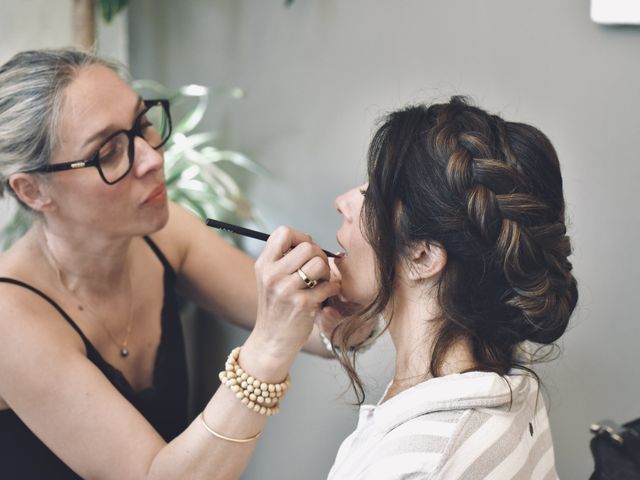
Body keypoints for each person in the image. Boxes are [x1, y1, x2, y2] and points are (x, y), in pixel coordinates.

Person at [0, 48, 345, 479]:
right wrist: (270, 344)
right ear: (32, 191)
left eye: (143, 124)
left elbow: (323, 330)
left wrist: (351, 284)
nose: (152, 158)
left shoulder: (162, 233)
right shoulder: (10, 318)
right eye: (108, 152)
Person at [324, 97, 578, 479]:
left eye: (371, 194)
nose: (342, 201)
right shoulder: (514, 386)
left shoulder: (415, 467)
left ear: (423, 257)